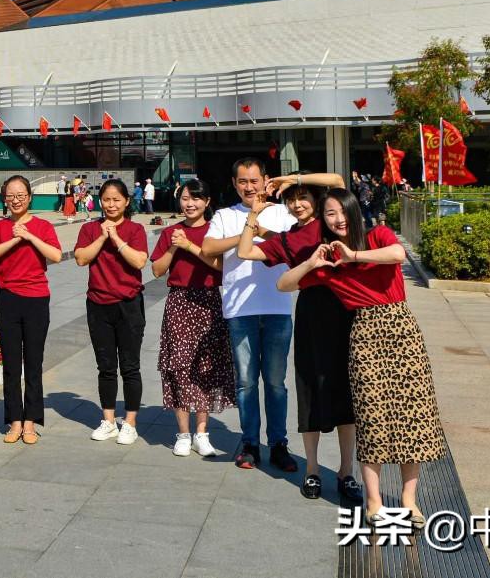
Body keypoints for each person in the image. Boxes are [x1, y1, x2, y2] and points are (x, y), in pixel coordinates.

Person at [277, 188, 445, 527]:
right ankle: (374, 501)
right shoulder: (328, 263)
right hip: (364, 336)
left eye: (342, 211)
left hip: (401, 329)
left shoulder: (375, 235)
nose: (338, 219)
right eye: (329, 214)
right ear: (322, 220)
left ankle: (410, 502)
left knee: (414, 418)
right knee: (371, 419)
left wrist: (353, 255)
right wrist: (312, 262)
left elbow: (398, 253)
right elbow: (284, 283)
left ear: (353, 211)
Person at [236, 173, 363, 506]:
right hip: (311, 314)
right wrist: (254, 213)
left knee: (346, 394)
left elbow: (336, 178)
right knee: (308, 390)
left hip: (347, 309)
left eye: (304, 196)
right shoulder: (286, 240)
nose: (298, 203)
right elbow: (245, 251)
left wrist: (292, 177)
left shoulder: (327, 222)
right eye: (291, 199)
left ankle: (346, 471)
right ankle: (312, 470)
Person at [200, 158, 298, 472]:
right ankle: (250, 443)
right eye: (243, 181)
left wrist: (261, 225)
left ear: (266, 180)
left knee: (275, 382)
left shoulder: (284, 213)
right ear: (234, 184)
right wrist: (248, 226)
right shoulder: (224, 215)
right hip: (240, 310)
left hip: (277, 307)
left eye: (254, 180)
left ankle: (279, 443)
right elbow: (208, 248)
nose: (249, 187)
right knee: (245, 382)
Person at [150, 179, 234, 458]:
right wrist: (175, 247)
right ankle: (183, 433)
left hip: (209, 301)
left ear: (207, 202)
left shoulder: (214, 231)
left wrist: (189, 246)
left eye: (196, 198)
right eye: (185, 198)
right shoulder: (171, 232)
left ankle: (202, 433)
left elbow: (221, 269)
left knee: (206, 367)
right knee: (179, 366)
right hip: (179, 302)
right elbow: (157, 271)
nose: (190, 204)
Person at [0, 176, 63, 444]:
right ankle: (14, 421)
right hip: (8, 300)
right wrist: (15, 240)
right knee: (12, 365)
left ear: (29, 197)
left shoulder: (42, 225)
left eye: (21, 195)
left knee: (34, 363)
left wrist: (28, 236)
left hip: (37, 300)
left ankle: (31, 423)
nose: (15, 200)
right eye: (10, 195)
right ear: (4, 198)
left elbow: (56, 255)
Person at [74, 178, 149, 445]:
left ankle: (129, 422)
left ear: (127, 201)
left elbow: (140, 260)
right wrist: (102, 236)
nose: (111, 204)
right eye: (107, 199)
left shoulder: (135, 229)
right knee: (105, 367)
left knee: (130, 366)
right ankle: (108, 420)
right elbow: (82, 258)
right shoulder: (90, 228)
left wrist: (115, 236)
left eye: (117, 199)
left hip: (129, 305)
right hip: (98, 305)